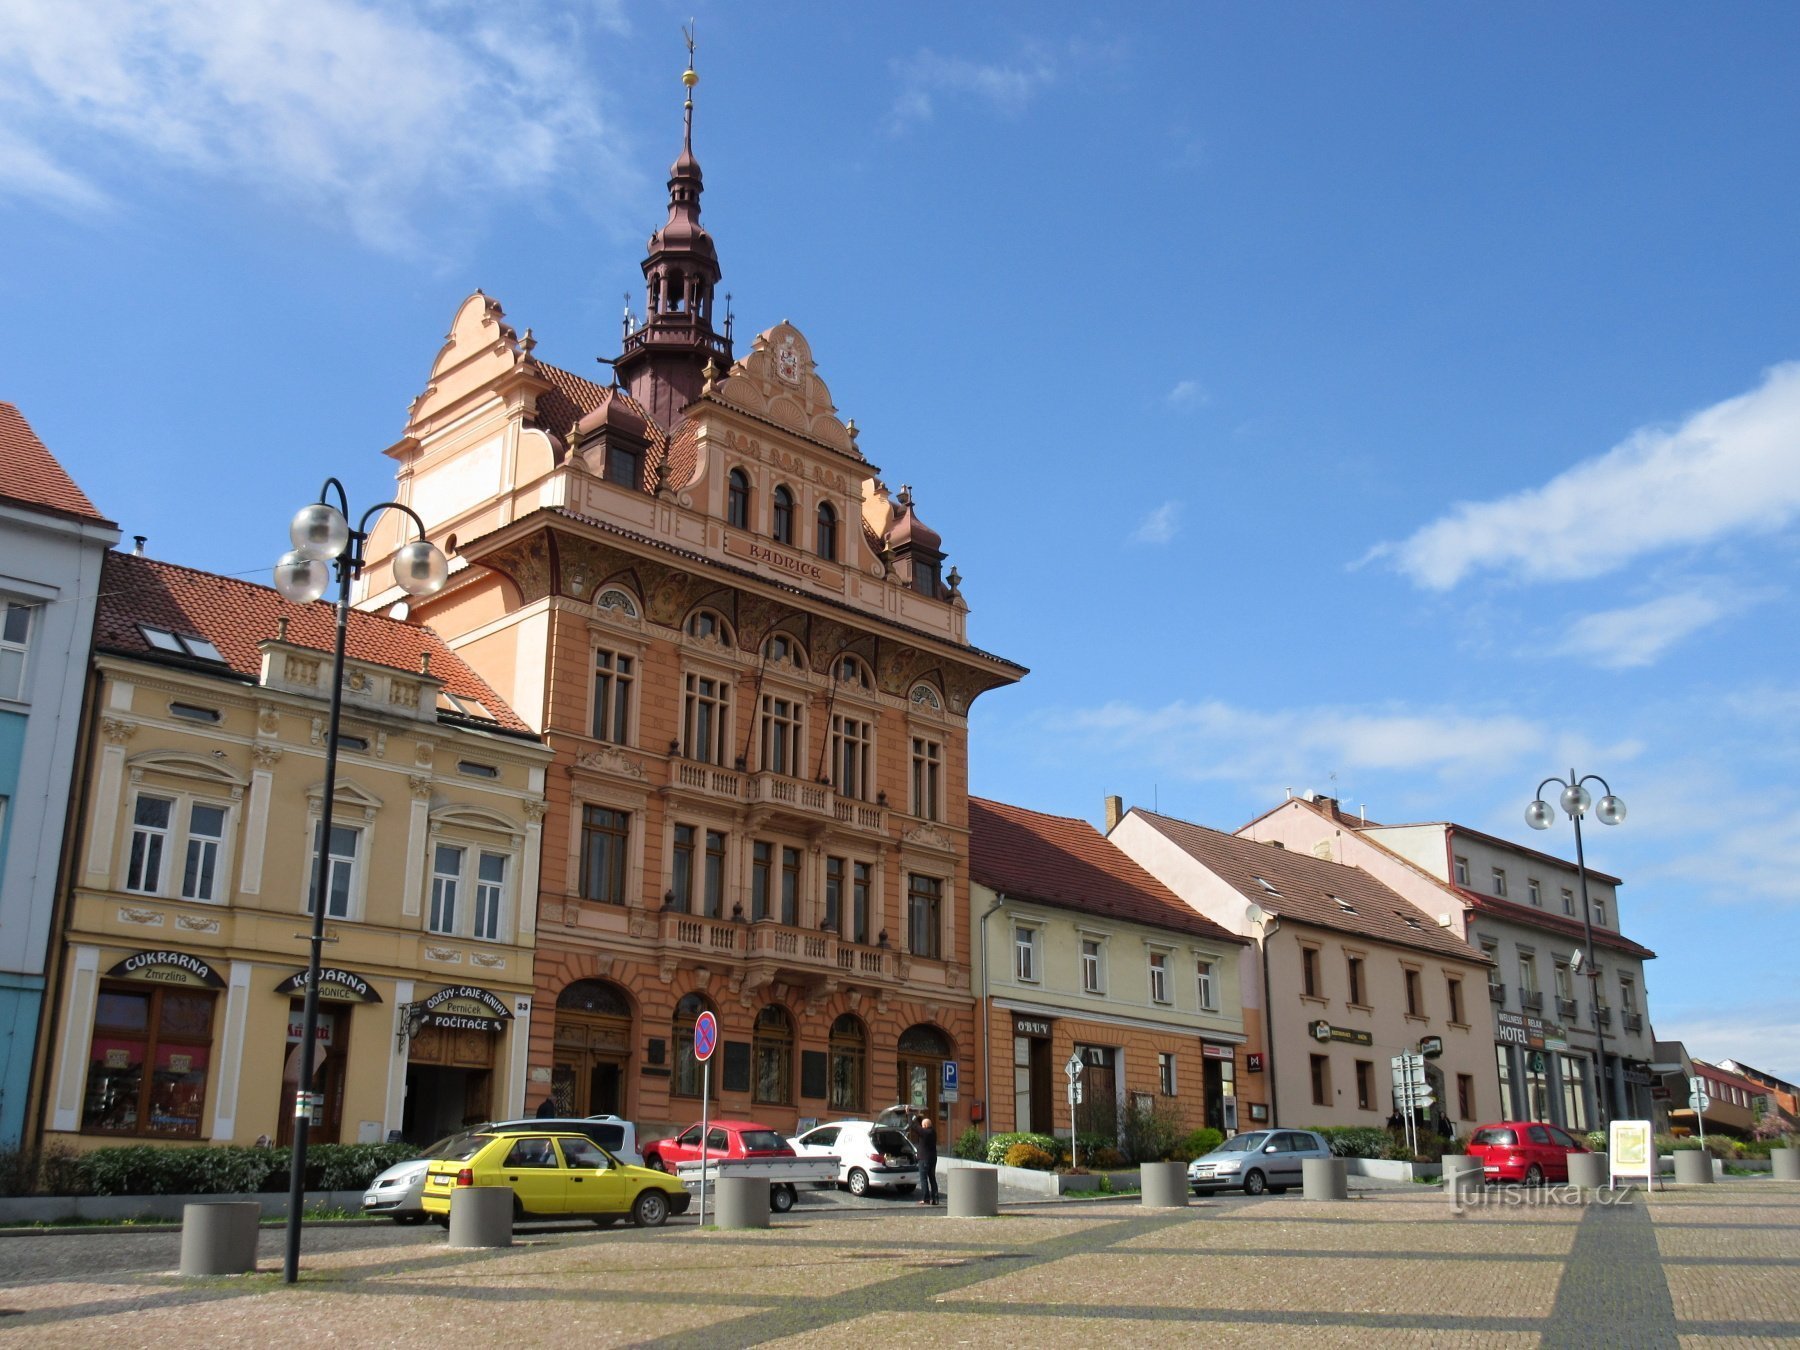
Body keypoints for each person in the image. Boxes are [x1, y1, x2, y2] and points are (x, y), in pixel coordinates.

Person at [910, 1110, 939, 1205]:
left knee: (923, 1179)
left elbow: (914, 1126)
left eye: (923, 1125)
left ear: (925, 1126)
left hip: (924, 1159)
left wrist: (909, 1114)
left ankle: (925, 1199)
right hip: (933, 1158)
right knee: (932, 1178)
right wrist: (918, 1116)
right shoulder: (933, 1132)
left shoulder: (924, 1133)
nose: (922, 1127)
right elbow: (919, 1126)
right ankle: (935, 1199)